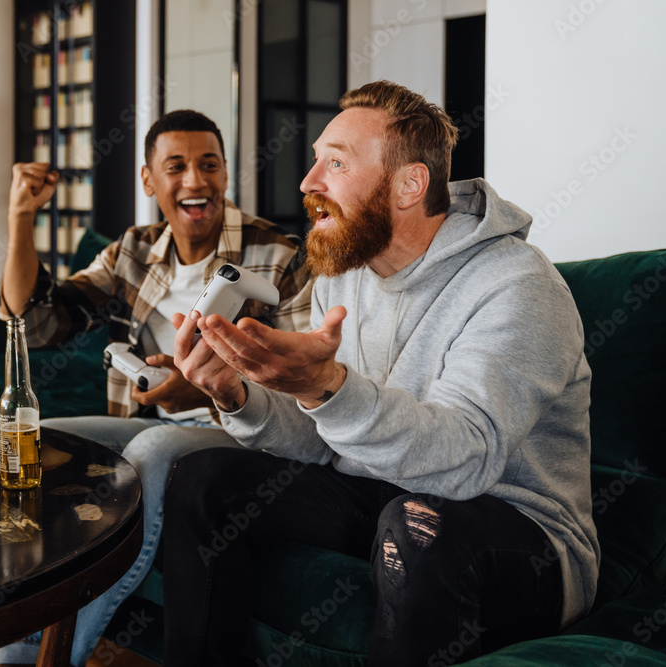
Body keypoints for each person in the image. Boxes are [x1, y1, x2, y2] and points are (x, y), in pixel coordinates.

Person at [165, 81, 599, 666]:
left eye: (335, 163)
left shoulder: (517, 286)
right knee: (204, 478)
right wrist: (237, 393)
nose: (308, 182)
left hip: (515, 529)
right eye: (316, 159)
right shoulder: (344, 274)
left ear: (409, 185)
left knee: (416, 528)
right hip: (383, 491)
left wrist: (328, 388)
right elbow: (324, 442)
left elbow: (466, 462)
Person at [0, 109, 311, 666]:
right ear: (148, 181)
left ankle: (53, 660)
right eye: (177, 166)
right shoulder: (134, 252)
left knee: (152, 450)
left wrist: (208, 390)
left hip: (238, 437)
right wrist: (21, 217)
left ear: (226, 175)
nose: (195, 181)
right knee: (29, 435)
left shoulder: (279, 257)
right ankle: (11, 650)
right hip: (146, 417)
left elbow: (304, 392)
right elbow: (37, 322)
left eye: (209, 165)